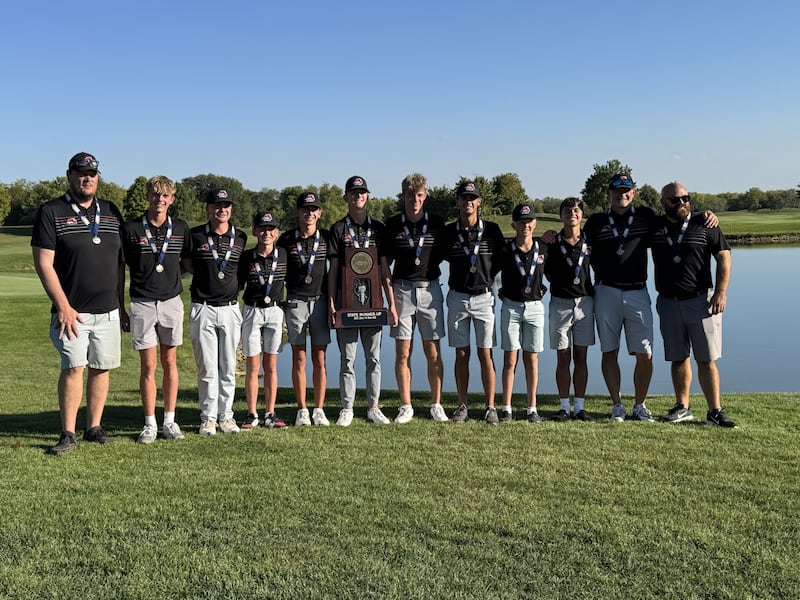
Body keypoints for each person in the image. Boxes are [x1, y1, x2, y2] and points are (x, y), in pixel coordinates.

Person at [31, 152, 125, 455]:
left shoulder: (111, 211)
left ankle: (93, 427)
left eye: (93, 174)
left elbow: (120, 263)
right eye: (81, 173)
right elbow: (44, 263)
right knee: (74, 367)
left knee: (101, 368)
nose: (88, 178)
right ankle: (68, 433)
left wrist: (121, 306)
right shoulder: (51, 211)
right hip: (73, 312)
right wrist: (63, 305)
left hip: (108, 310)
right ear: (70, 175)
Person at [651, 182, 736, 427]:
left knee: (706, 359)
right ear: (663, 202)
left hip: (701, 301)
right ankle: (682, 406)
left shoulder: (705, 223)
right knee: (678, 357)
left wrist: (721, 292)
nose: (681, 203)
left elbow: (724, 257)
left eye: (685, 198)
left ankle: (715, 411)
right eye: (674, 200)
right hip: (668, 301)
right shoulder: (656, 226)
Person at [121, 175, 192, 444]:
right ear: (147, 196)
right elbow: (122, 266)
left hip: (171, 302)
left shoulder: (181, 229)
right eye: (155, 194)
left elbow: (186, 262)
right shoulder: (131, 229)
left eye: (165, 195)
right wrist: (121, 306)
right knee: (148, 366)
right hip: (141, 303)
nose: (159, 199)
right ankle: (150, 423)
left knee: (170, 362)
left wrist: (171, 277)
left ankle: (170, 422)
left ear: (171, 199)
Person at [582, 174, 657, 422]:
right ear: (609, 193)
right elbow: (577, 246)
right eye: (616, 191)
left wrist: (704, 215)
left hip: (637, 290)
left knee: (644, 353)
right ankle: (617, 404)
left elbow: (676, 222)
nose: (621, 195)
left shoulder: (646, 217)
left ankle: (640, 404)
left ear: (633, 193)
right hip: (606, 291)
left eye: (626, 191)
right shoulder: (596, 221)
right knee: (609, 350)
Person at [328, 176, 396, 426]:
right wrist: (333, 304)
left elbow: (385, 270)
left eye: (362, 192)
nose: (358, 196)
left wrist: (392, 305)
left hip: (373, 305)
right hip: (346, 304)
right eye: (353, 192)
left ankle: (373, 406)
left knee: (374, 358)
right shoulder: (337, 229)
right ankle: (347, 407)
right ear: (346, 197)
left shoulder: (379, 229)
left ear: (368, 196)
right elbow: (333, 268)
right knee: (347, 359)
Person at [382, 174, 448, 423]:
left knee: (433, 352)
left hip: (430, 291)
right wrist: (389, 301)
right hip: (401, 291)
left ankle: (436, 404)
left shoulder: (437, 224)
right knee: (403, 352)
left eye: (420, 195)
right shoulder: (392, 225)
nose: (415, 200)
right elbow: (384, 266)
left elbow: (444, 256)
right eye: (410, 196)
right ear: (403, 197)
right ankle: (406, 405)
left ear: (425, 196)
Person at [185, 188, 248, 435]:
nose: (222, 210)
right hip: (203, 307)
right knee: (207, 367)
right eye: (216, 205)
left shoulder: (240, 237)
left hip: (231, 308)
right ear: (208, 209)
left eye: (226, 205)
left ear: (231, 209)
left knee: (228, 365)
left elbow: (241, 272)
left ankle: (226, 416)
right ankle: (208, 417)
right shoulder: (196, 235)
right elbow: (187, 263)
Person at [442, 181, 505, 424]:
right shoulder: (449, 232)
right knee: (461, 354)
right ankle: (462, 405)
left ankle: (490, 407)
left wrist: (486, 277)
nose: (468, 201)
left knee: (485, 353)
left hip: (484, 297)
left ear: (479, 202)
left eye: (473, 198)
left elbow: (501, 260)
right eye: (464, 197)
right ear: (457, 202)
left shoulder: (492, 230)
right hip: (457, 296)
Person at [277, 191, 331, 427]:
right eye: (305, 209)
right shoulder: (287, 240)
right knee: (299, 358)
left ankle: (318, 409)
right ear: (298, 212)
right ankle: (302, 410)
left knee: (319, 359)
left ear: (319, 213)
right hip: (296, 302)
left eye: (313, 210)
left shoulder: (327, 238)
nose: (309, 213)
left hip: (320, 301)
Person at [543, 197, 595, 422]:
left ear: (582, 215)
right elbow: (539, 267)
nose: (571, 213)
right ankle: (564, 406)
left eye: (576, 210)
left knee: (581, 357)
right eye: (567, 210)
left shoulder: (590, 240)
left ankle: (579, 407)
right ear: (561, 215)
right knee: (563, 357)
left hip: (585, 303)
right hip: (560, 304)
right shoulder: (551, 242)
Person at [497, 203, 548, 423]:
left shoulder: (544, 247)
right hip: (511, 306)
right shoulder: (506, 249)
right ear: (514, 224)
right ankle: (507, 408)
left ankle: (531, 409)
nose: (525, 225)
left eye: (529, 221)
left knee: (532, 359)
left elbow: (556, 272)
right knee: (510, 359)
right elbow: (489, 271)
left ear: (534, 223)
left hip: (535, 308)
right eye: (521, 222)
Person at [238, 210, 288, 430]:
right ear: (255, 231)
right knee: (252, 365)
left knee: (271, 365)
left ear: (276, 232)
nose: (266, 233)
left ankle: (269, 412)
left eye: (270, 229)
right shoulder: (247, 257)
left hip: (275, 311)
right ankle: (251, 413)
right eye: (262, 229)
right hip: (252, 310)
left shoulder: (284, 255)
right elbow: (237, 283)